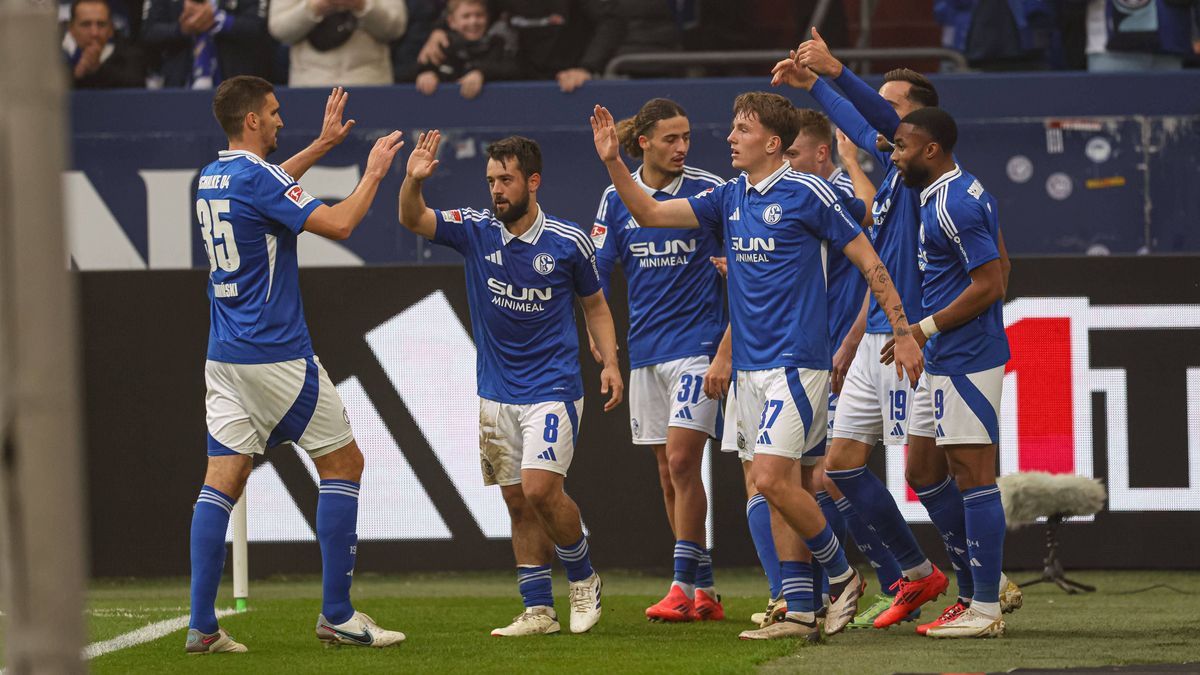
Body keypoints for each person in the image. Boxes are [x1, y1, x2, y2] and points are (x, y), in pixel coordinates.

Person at [592, 92, 924, 641]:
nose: (729, 137)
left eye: (741, 128)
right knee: (772, 487)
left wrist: (905, 330)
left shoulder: (809, 192)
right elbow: (649, 212)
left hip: (796, 363)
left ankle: (841, 577)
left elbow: (870, 260)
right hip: (749, 369)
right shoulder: (727, 197)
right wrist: (611, 161)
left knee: (773, 478)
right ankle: (797, 609)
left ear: (772, 143)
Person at [780, 32, 1022, 632]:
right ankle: (923, 576)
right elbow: (863, 133)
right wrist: (818, 87)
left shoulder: (934, 186)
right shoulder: (901, 174)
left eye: (890, 110)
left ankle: (982, 588)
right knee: (849, 467)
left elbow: (993, 278)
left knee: (951, 470)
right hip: (883, 335)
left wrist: (837, 70)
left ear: (923, 130)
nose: (877, 122)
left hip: (923, 339)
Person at [187, 78, 407, 653]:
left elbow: (267, 184)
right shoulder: (258, 178)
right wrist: (374, 173)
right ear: (253, 120)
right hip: (277, 354)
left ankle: (202, 627)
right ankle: (337, 614)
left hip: (224, 357)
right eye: (276, 113)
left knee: (222, 482)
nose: (283, 121)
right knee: (344, 464)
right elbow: (339, 225)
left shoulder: (211, 177)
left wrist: (323, 145)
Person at [398, 133, 620, 637]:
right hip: (496, 391)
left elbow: (596, 307)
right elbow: (413, 218)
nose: (496, 190)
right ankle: (538, 610)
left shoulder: (568, 243)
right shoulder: (475, 231)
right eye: (491, 180)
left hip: (554, 387)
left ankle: (584, 578)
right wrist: (412, 180)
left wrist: (610, 362)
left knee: (543, 490)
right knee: (517, 501)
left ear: (533, 182)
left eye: (506, 180)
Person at [590, 98, 726, 623]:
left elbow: (744, 258)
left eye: (687, 137)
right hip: (646, 351)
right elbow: (597, 277)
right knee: (668, 477)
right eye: (671, 138)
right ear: (642, 142)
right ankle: (706, 591)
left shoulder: (709, 190)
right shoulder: (613, 198)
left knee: (683, 462)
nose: (682, 148)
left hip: (698, 347)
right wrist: (605, 349)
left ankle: (679, 584)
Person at [887, 107, 1011, 637]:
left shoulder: (953, 204)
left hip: (965, 354)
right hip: (944, 353)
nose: (895, 156)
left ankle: (985, 606)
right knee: (922, 470)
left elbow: (991, 283)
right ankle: (981, 585)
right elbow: (1002, 262)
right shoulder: (946, 193)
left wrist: (924, 328)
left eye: (901, 147)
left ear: (930, 150)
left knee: (974, 473)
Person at [269, 0, 407, 86]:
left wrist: (361, 5)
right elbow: (279, 30)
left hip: (369, 82)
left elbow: (395, 28)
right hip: (310, 84)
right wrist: (314, 7)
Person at [140, 0, 275, 88]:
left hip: (237, 84)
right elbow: (148, 32)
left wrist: (218, 19)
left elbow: (259, 27)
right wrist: (181, 29)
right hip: (179, 82)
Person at [415, 0, 519, 99]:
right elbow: (413, 71)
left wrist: (481, 73)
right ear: (451, 22)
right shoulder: (442, 45)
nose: (473, 22)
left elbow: (512, 69)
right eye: (466, 16)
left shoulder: (497, 45)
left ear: (488, 18)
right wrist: (426, 74)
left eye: (479, 15)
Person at [63, 0, 146, 88]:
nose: (94, 33)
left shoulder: (131, 56)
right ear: (71, 28)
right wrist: (76, 76)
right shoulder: (54, 57)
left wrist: (98, 70)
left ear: (111, 29)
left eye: (101, 24)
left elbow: (136, 87)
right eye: (86, 24)